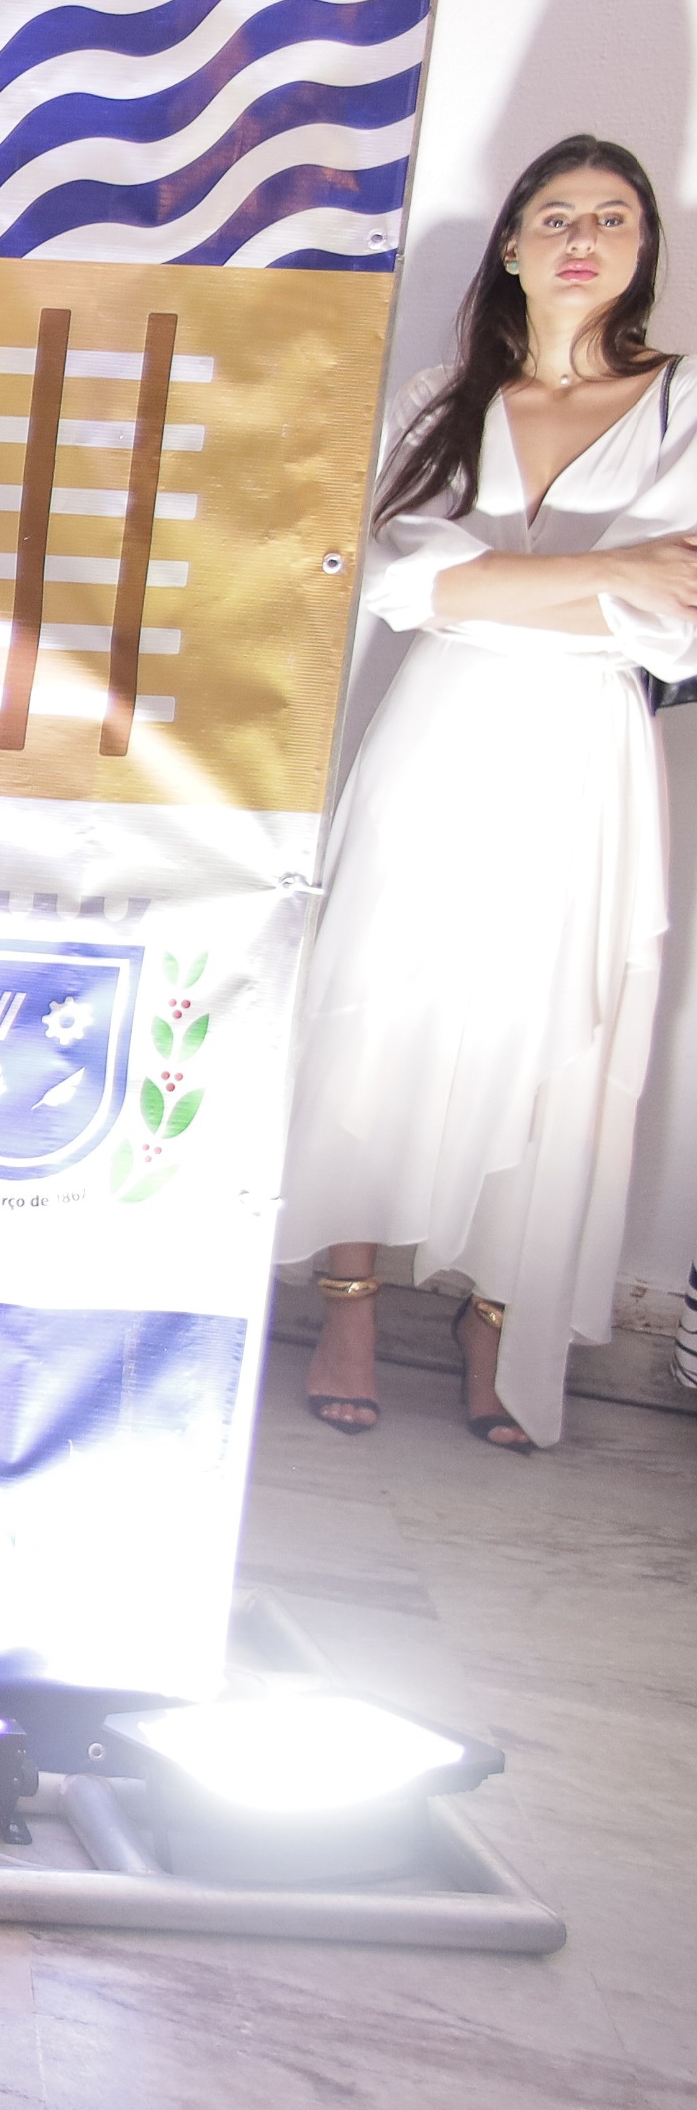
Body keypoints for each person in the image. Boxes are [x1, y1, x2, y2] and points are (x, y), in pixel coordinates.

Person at [287, 136, 695, 1451]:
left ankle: (501, 1326)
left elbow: (680, 613)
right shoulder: (437, 398)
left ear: (644, 249)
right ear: (512, 244)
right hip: (437, 737)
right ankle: (348, 1306)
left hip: (586, 758)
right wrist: (607, 574)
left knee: (552, 1034)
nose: (584, 237)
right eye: (556, 214)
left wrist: (489, 585)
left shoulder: (686, 404)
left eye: (614, 217)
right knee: (379, 1008)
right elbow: (394, 576)